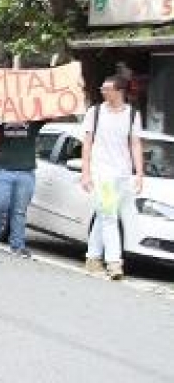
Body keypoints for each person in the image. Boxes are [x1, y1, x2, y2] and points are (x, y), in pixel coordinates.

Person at [81, 74, 144, 281]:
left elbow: (135, 144)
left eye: (107, 89)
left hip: (123, 175)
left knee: (102, 214)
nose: (103, 92)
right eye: (102, 88)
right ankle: (114, 262)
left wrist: (139, 173)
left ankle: (92, 258)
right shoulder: (95, 112)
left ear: (119, 91)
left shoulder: (133, 115)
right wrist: (86, 172)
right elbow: (87, 143)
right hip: (103, 174)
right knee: (109, 216)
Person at [0, 120, 47, 258]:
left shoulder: (33, 122)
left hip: (26, 172)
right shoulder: (1, 120)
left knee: (19, 210)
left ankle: (17, 245)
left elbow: (50, 112)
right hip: (4, 171)